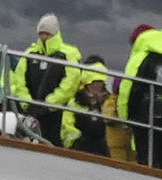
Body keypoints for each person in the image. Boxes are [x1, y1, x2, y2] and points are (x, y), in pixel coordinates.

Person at [8, 14, 82, 144]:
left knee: (53, 141)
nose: (44, 37)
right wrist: (27, 103)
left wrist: (49, 105)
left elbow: (70, 83)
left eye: (47, 34)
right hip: (31, 110)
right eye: (41, 33)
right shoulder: (30, 53)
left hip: (56, 112)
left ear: (55, 34)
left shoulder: (67, 54)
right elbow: (19, 81)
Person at [120, 23, 162, 167]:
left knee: (145, 154)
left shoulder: (141, 58)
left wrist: (125, 118)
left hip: (145, 112)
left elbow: (128, 89)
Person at [53, 52, 116, 151]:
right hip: (79, 149)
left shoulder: (108, 103)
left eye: (100, 84)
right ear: (86, 85)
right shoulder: (75, 103)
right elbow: (67, 129)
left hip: (103, 150)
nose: (96, 89)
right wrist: (77, 143)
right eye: (93, 84)